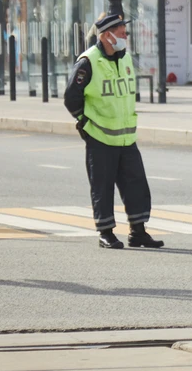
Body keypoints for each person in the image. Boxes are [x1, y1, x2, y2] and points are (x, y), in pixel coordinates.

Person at [63, 13, 163, 250]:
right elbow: (71, 98)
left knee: (136, 184)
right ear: (107, 35)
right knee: (102, 186)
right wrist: (85, 124)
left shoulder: (126, 58)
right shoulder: (88, 61)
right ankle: (106, 233)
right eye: (121, 32)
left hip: (127, 137)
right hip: (100, 136)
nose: (125, 36)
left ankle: (138, 232)